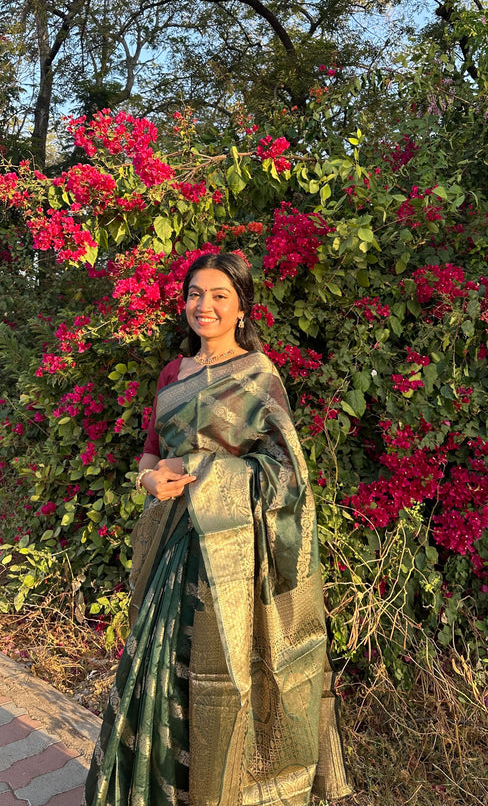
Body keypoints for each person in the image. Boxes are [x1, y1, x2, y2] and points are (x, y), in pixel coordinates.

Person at [84, 252, 349, 806]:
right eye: (195, 295)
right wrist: (148, 481)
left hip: (235, 556)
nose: (204, 306)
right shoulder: (172, 375)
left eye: (219, 295)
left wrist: (202, 468)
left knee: (228, 678)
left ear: (242, 308)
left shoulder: (258, 376)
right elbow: (150, 454)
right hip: (172, 544)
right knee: (160, 675)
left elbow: (285, 473)